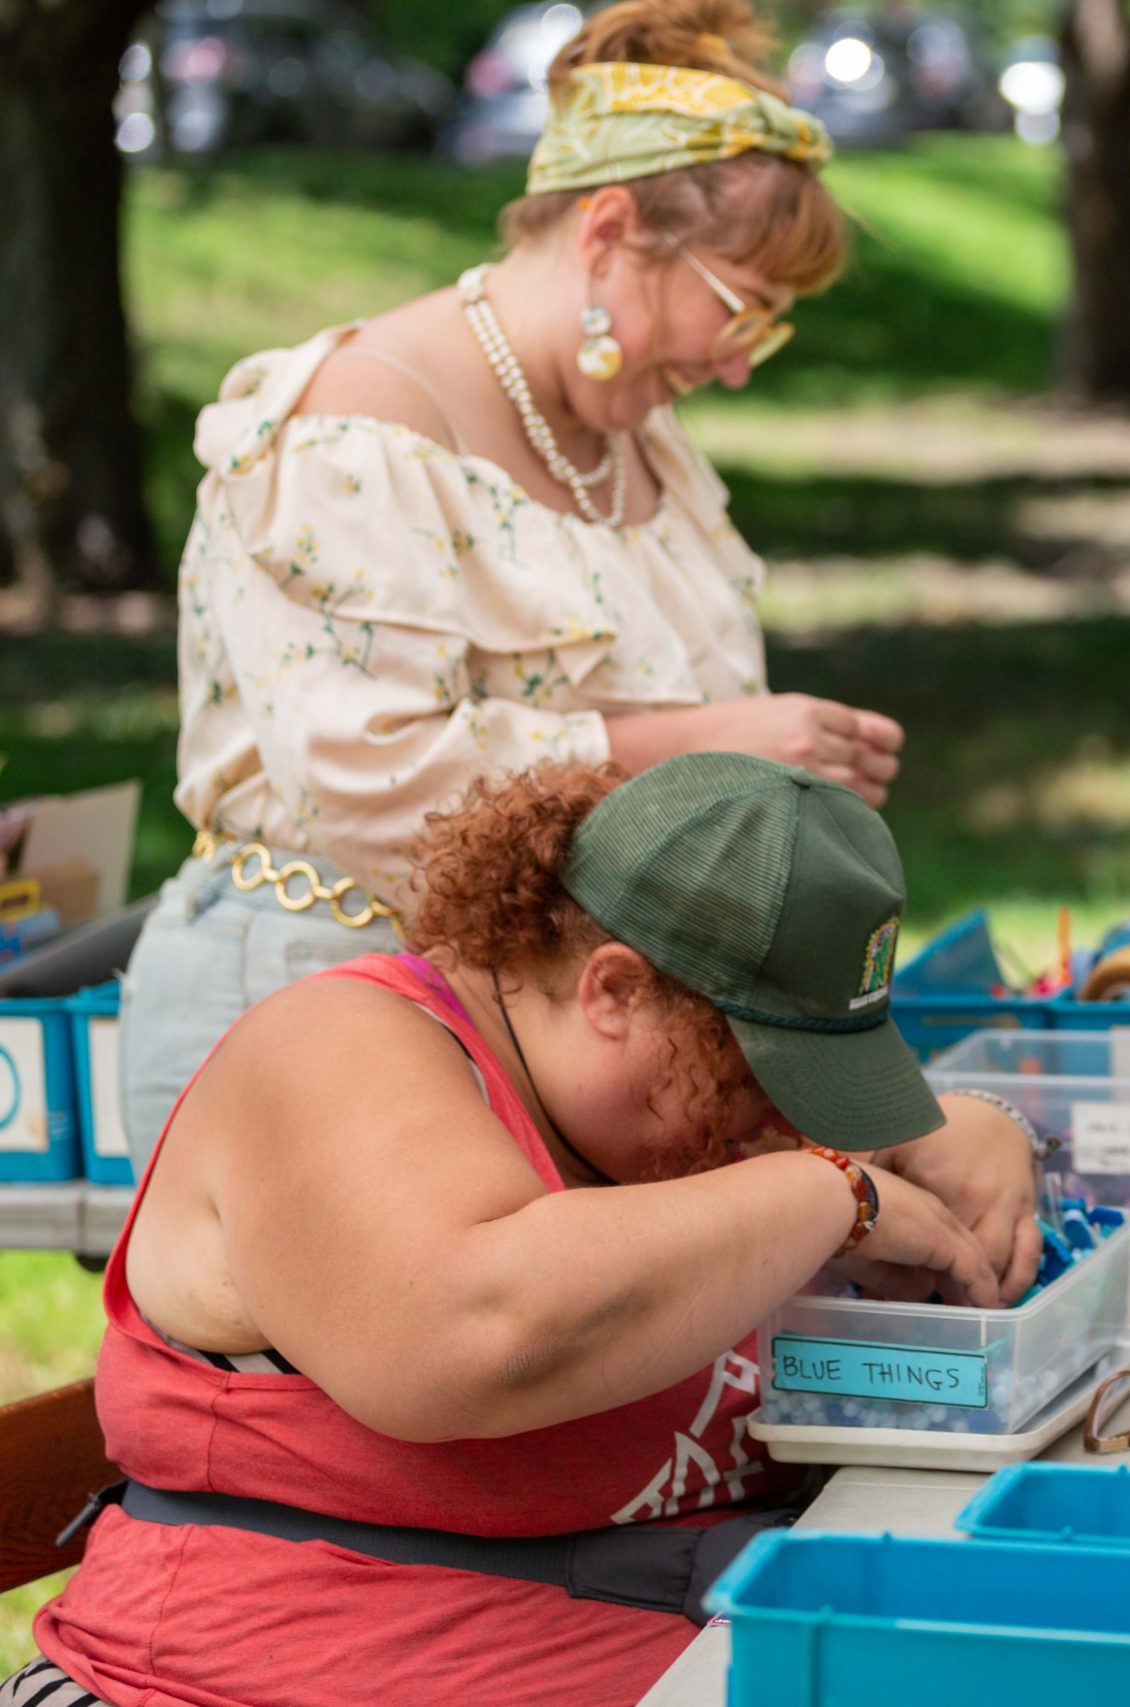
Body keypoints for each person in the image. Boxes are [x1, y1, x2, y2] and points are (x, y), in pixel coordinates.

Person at [9, 755, 1045, 1707]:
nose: (778, 1120)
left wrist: (986, 1132)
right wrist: (833, 1196)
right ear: (615, 990)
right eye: (757, 1074)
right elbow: (465, 1332)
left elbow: (824, 1166)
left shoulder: (658, 1119)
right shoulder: (335, 1048)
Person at [122, 0, 904, 1155]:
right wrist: (689, 747)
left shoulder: (632, 435)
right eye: (741, 309)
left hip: (549, 1039)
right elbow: (366, 776)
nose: (738, 364)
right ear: (605, 231)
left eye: (771, 330)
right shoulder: (356, 421)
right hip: (319, 1010)